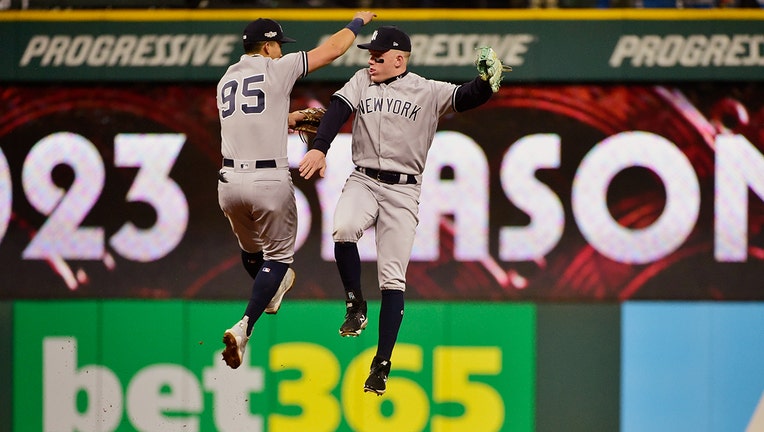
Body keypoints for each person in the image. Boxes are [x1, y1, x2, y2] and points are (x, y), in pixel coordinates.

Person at [298, 25, 499, 394]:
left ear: (399, 59)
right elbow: (336, 111)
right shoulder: (362, 80)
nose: (371, 60)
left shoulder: (426, 90)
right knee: (343, 229)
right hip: (364, 178)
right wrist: (320, 147)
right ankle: (355, 304)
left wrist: (485, 83)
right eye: (369, 54)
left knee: (393, 279)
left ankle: (381, 363)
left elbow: (466, 96)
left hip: (404, 190)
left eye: (377, 55)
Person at [218, 11, 377, 370]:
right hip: (268, 181)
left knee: (253, 251)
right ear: (269, 45)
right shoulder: (279, 67)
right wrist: (357, 22)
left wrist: (289, 118)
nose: (279, 51)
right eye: (278, 46)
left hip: (228, 183)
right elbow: (333, 49)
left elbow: (247, 118)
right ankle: (245, 325)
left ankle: (271, 291)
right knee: (279, 260)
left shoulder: (226, 79)